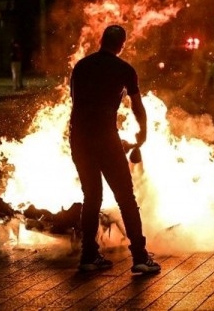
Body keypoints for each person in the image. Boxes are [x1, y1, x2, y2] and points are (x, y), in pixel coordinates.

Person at [68, 25, 161, 274]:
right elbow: (137, 106)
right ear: (121, 45)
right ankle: (140, 257)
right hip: (106, 139)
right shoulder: (124, 70)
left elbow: (76, 101)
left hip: (78, 138)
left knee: (91, 197)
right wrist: (142, 133)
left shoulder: (81, 66)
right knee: (126, 199)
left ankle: (88, 257)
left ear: (101, 40)